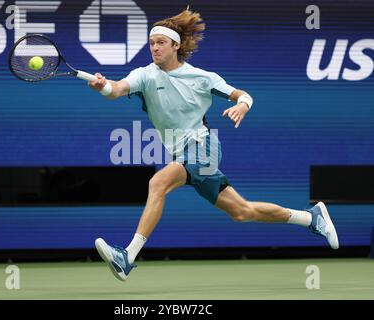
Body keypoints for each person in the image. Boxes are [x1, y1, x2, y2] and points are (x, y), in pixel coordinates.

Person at [88, 8, 339, 281]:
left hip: (203, 147)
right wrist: (102, 86)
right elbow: (116, 90)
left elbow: (241, 94)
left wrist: (242, 105)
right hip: (183, 154)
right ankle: (311, 218)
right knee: (242, 212)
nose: (155, 48)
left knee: (157, 183)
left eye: (161, 42)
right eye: (151, 43)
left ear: (177, 45)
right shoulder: (145, 75)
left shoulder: (202, 77)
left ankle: (128, 256)